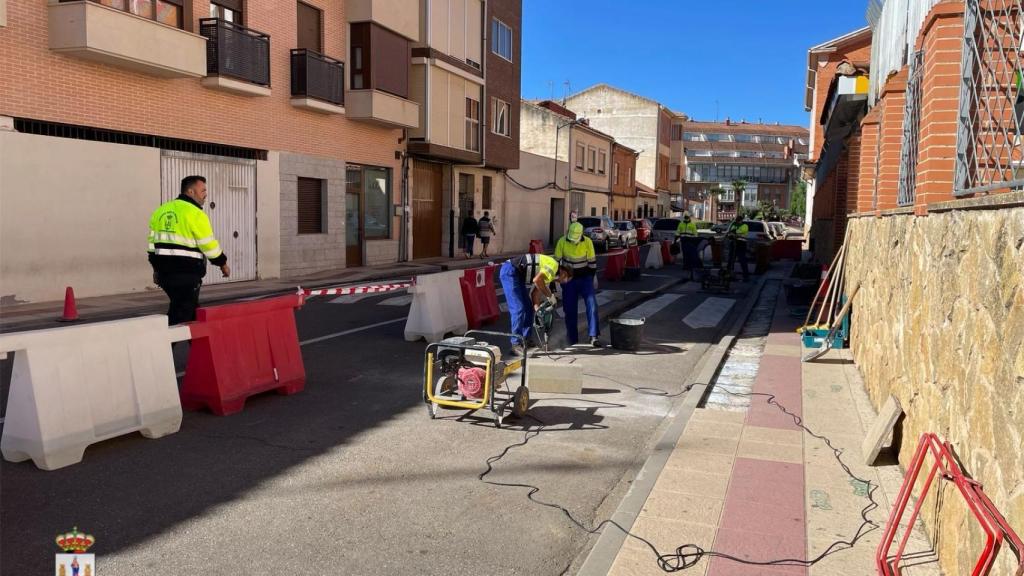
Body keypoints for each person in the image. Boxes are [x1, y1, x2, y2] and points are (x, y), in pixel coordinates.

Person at [148, 175, 229, 325]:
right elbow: (208, 245)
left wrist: (155, 270)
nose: (206, 194)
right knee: (181, 313)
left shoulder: (161, 211)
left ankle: (199, 346)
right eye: (203, 190)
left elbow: (152, 246)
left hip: (165, 274)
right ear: (191, 192)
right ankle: (163, 345)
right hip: (186, 274)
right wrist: (222, 263)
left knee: (191, 312)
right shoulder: (196, 213)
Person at [499, 252, 571, 356]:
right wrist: (550, 296)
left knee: (528, 308)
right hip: (510, 271)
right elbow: (537, 280)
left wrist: (537, 309)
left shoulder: (550, 275)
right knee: (518, 309)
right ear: (564, 273)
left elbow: (535, 293)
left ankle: (527, 340)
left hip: (518, 275)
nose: (565, 282)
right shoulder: (553, 266)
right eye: (566, 279)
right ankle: (515, 344)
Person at [555, 222, 603, 348]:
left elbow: (592, 263)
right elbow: (556, 262)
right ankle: (572, 339)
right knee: (569, 310)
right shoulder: (562, 241)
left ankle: (593, 336)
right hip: (569, 281)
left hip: (585, 278)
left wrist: (592, 279)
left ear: (581, 235)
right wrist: (559, 279)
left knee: (592, 306)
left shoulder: (587, 242)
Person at [725, 213, 750, 281]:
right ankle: (729, 274)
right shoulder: (734, 225)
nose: (738, 221)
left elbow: (741, 231)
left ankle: (746, 275)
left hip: (741, 243)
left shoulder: (744, 225)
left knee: (742, 259)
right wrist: (730, 234)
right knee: (731, 259)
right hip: (733, 243)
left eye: (739, 220)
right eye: (737, 220)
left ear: (741, 220)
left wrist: (734, 232)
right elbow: (729, 232)